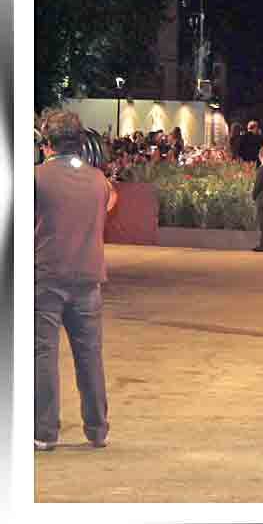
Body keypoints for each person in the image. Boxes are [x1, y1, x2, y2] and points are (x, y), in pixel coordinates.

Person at [35, 110, 118, 451]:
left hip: (46, 276)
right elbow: (109, 203)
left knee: (43, 354)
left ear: (47, 142)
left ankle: (44, 431)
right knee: (89, 355)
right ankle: (97, 429)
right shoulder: (99, 180)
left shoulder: (36, 178)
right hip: (88, 277)